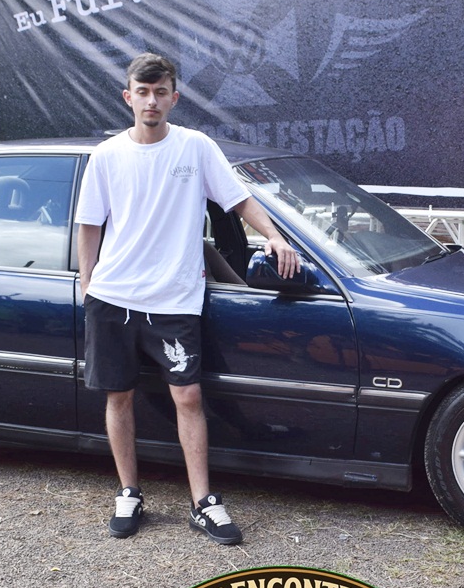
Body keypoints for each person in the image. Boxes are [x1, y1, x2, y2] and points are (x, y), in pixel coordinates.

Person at [75, 52, 300, 544]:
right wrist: (87, 283)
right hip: (113, 296)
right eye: (143, 92)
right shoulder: (107, 155)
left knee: (189, 396)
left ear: (174, 98)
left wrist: (275, 237)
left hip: (174, 299)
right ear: (128, 97)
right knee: (119, 396)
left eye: (161, 92)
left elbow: (238, 200)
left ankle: (202, 502)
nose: (151, 101)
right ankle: (128, 492)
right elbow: (89, 223)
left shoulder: (196, 147)